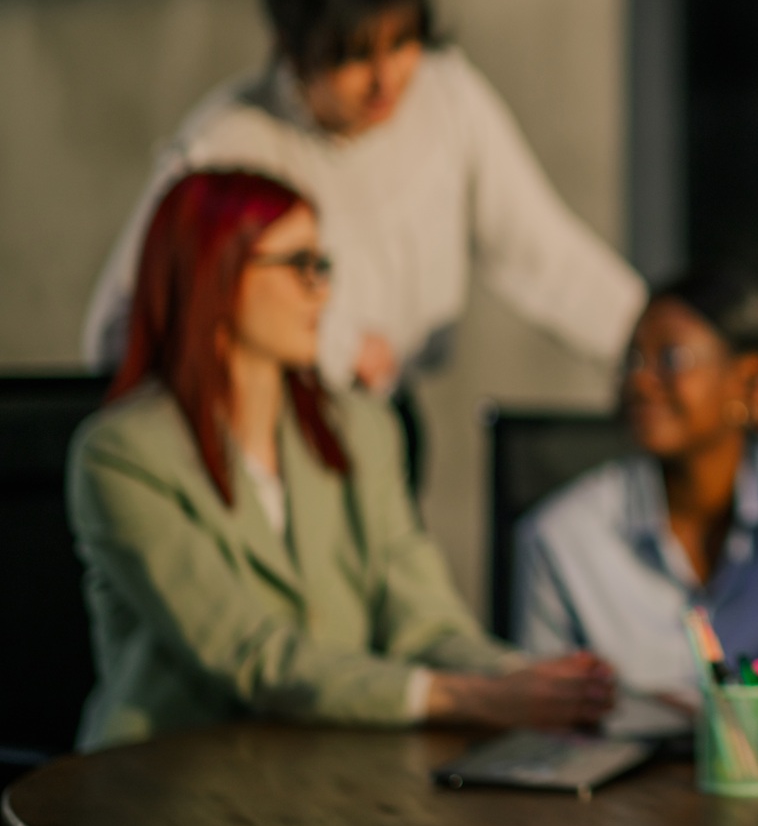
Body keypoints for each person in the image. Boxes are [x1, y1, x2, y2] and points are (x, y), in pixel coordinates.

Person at [81, 0, 645, 483]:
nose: (386, 81)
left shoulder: (446, 96)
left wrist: (660, 348)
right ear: (292, 50)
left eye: (403, 44)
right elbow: (125, 324)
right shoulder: (228, 143)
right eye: (352, 57)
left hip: (383, 423)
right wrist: (333, 352)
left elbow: (543, 253)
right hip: (257, 439)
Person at [67, 170, 617, 751]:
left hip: (332, 774)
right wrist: (473, 698)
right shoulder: (122, 456)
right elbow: (252, 656)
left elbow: (424, 621)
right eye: (300, 265)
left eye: (323, 265)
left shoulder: (363, 430)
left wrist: (531, 680)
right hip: (163, 784)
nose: (322, 291)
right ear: (216, 273)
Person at [513, 267, 758, 736]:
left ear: (745, 377)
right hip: (620, 799)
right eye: (632, 361)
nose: (640, 382)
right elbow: (542, 724)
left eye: (669, 359)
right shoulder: (561, 539)